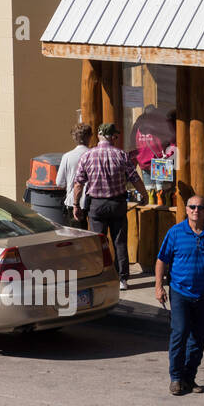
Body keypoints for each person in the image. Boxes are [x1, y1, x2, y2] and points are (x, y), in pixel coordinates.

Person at [155, 194, 204, 395]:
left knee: (198, 338)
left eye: (200, 207)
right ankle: (176, 378)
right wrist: (158, 286)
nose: (196, 211)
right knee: (180, 333)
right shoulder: (175, 232)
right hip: (180, 292)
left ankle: (189, 377)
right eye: (192, 207)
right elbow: (162, 260)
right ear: (186, 210)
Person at [71, 122, 148, 290]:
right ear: (112, 136)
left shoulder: (87, 156)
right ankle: (122, 279)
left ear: (99, 136)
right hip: (117, 204)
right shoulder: (121, 155)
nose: (116, 138)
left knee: (98, 242)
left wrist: (76, 204)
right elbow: (135, 178)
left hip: (96, 205)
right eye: (116, 136)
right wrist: (144, 194)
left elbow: (78, 184)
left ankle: (98, 274)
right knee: (120, 241)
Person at [57, 122, 92, 214]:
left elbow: (60, 182)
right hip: (92, 202)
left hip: (73, 201)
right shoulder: (94, 155)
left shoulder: (67, 156)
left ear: (74, 138)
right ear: (89, 137)